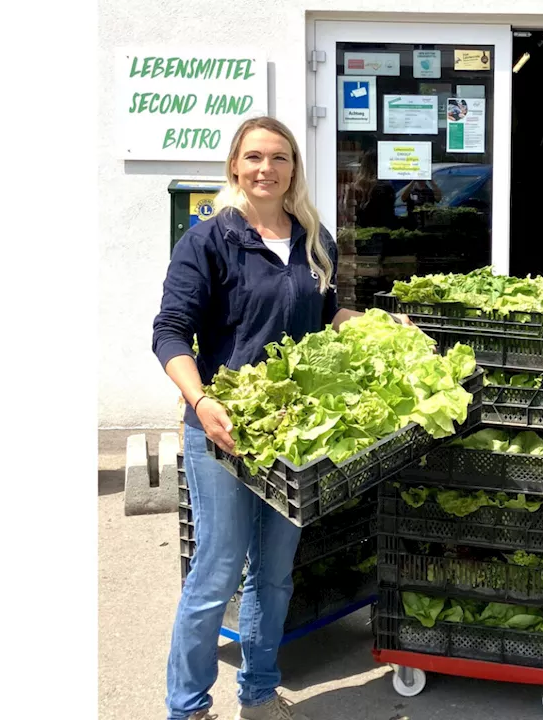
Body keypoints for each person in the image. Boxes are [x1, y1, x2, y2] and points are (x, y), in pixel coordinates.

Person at [152, 116, 408, 720]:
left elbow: (325, 318)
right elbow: (169, 334)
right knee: (215, 575)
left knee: (274, 576)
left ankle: (260, 692)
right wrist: (202, 401)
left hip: (292, 431)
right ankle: (186, 707)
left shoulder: (312, 238)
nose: (267, 168)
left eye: (280, 158)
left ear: (294, 168)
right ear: (235, 167)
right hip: (222, 431)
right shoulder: (209, 240)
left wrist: (378, 325)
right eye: (255, 157)